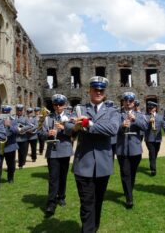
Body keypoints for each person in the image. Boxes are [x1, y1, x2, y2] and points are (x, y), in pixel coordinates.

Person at [66, 76, 119, 232]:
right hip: (84, 163)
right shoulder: (80, 109)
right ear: (89, 90)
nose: (98, 92)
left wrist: (88, 124)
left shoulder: (112, 110)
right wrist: (76, 127)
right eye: (95, 89)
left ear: (104, 92)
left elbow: (112, 129)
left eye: (101, 90)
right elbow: (67, 127)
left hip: (103, 163)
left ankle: (94, 227)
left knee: (98, 201)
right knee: (87, 202)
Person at [39, 94, 73, 216]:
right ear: (53, 105)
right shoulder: (48, 118)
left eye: (60, 104)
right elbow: (40, 134)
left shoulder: (69, 117)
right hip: (52, 151)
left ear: (64, 105)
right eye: (55, 104)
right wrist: (48, 133)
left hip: (64, 150)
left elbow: (74, 132)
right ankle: (51, 203)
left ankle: (62, 196)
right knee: (53, 178)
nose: (58, 107)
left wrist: (63, 128)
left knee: (63, 176)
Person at [116, 92, 148, 209]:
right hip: (122, 149)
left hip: (135, 149)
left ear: (134, 102)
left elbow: (145, 127)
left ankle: (128, 189)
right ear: (123, 102)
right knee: (125, 173)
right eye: (126, 101)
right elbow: (112, 129)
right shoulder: (117, 114)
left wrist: (135, 120)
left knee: (132, 173)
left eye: (130, 101)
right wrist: (121, 126)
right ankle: (129, 198)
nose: (128, 103)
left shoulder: (139, 114)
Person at [0, 105, 18, 189]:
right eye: (4, 112)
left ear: (9, 112)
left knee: (11, 165)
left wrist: (9, 126)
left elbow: (17, 131)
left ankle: (10, 178)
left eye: (7, 112)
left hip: (10, 146)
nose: (5, 114)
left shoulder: (14, 120)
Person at [144, 101, 163, 176]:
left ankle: (152, 163)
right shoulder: (145, 116)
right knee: (152, 152)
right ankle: (153, 169)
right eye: (149, 108)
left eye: (152, 108)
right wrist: (148, 122)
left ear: (155, 108)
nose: (150, 109)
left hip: (158, 138)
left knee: (155, 152)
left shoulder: (160, 117)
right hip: (149, 138)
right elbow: (143, 126)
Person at [14, 104, 32, 169]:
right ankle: (11, 166)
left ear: (22, 111)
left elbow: (29, 126)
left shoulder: (25, 118)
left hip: (22, 138)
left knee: (22, 153)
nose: (19, 112)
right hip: (14, 138)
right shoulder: (13, 117)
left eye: (20, 110)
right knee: (12, 153)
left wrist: (22, 128)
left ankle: (20, 164)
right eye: (18, 110)